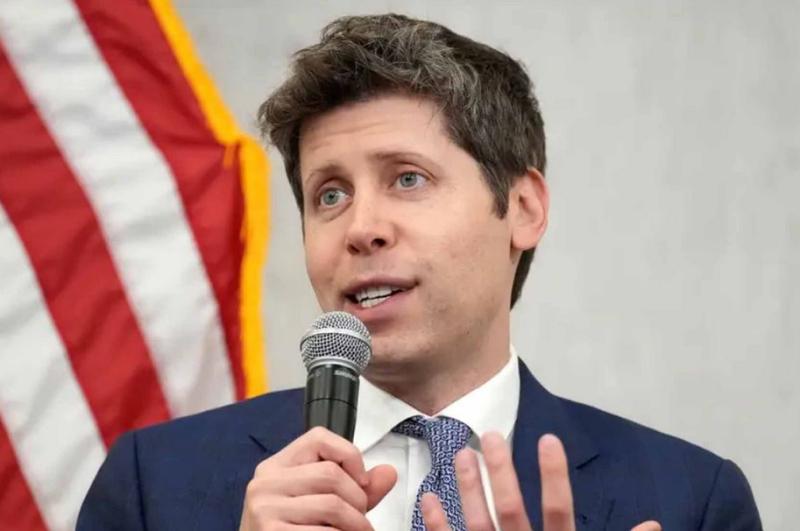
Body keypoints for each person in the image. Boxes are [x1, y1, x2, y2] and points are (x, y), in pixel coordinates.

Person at [77, 14, 761, 531]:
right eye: (330, 195)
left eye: (408, 178)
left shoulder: (691, 502)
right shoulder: (151, 488)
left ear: (523, 209)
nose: (360, 227)